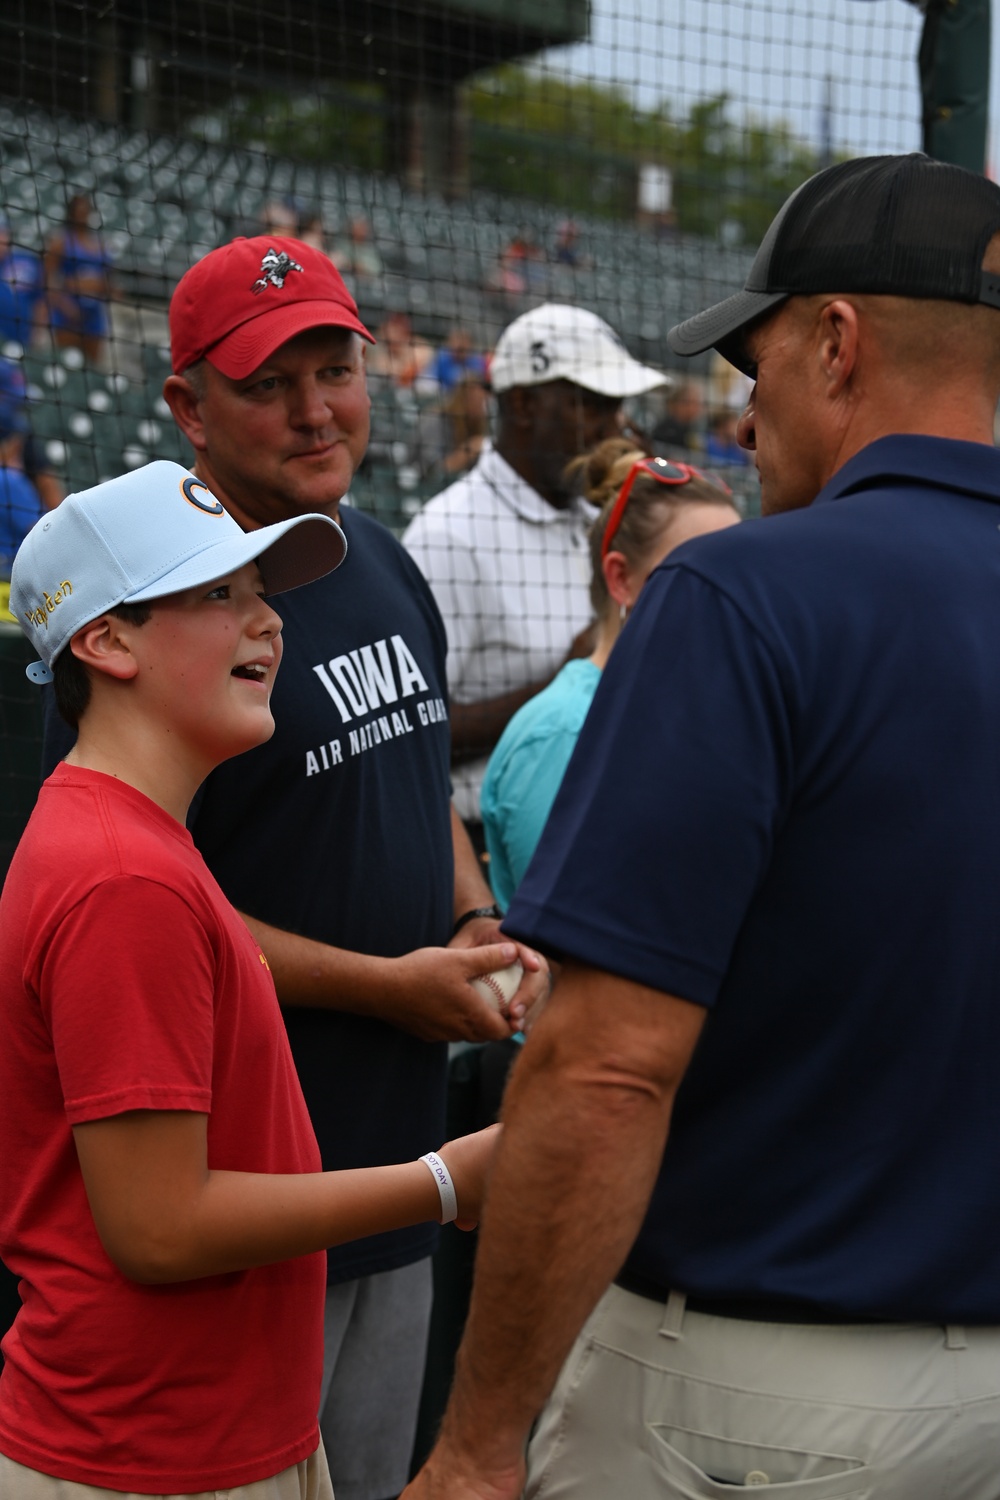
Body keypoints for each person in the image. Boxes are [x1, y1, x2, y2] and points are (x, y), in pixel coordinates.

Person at [402, 152, 1000, 1500]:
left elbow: (608, 1072)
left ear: (838, 343)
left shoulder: (740, 597)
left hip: (762, 1400)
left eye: (761, 357)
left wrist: (480, 1443)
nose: (743, 410)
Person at [40, 233, 544, 1500]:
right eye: (271, 382)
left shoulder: (369, 557)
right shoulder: (148, 620)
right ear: (187, 407)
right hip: (244, 1187)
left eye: (337, 369)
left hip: (386, 1151)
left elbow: (417, 769)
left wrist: (473, 919)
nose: (316, 410)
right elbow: (160, 905)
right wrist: (386, 986)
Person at [402, 302, 667, 837]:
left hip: (602, 823)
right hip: (490, 844)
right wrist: (563, 682)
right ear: (522, 403)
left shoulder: (599, 514)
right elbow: (410, 736)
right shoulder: (447, 534)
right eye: (593, 404)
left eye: (618, 407)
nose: (614, 426)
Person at [481, 439, 739, 911]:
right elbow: (568, 935)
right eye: (701, 570)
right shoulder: (563, 733)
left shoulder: (694, 702)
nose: (731, 592)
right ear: (621, 579)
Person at [43, 194, 114, 366]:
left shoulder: (100, 245)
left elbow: (109, 283)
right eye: (79, 210)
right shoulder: (60, 242)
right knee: (64, 363)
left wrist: (100, 287)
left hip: (94, 317)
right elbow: (47, 279)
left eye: (86, 210)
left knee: (93, 366)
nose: (83, 214)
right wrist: (65, 303)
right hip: (66, 315)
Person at [0, 216, 44, 349]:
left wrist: (37, 333)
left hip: (21, 340)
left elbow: (41, 299)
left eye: (3, 234)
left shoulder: (25, 262)